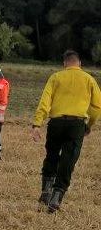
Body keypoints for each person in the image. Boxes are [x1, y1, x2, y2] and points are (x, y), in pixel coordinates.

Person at [32, 50, 101, 212]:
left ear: (64, 63)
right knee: (68, 160)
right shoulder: (89, 79)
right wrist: (89, 124)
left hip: (56, 123)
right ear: (80, 64)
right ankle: (57, 195)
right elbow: (97, 107)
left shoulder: (56, 77)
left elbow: (45, 102)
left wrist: (37, 124)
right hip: (76, 125)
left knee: (52, 156)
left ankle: (46, 191)